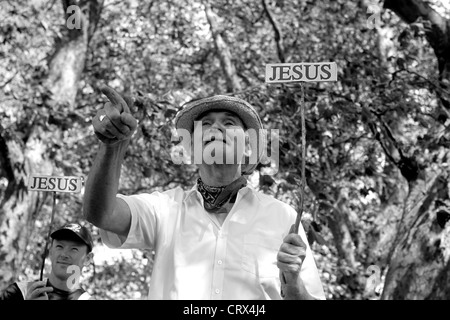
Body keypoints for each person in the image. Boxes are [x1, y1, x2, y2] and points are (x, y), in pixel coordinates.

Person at [83, 85, 325, 300]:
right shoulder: (165, 209)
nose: (216, 127)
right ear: (193, 148)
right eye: (205, 124)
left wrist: (294, 289)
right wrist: (112, 147)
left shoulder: (282, 216)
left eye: (229, 123)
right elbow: (101, 214)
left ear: (248, 147)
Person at [0, 223, 95, 300]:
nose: (64, 254)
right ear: (51, 252)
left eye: (74, 249)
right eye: (59, 247)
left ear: (87, 259)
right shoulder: (20, 292)